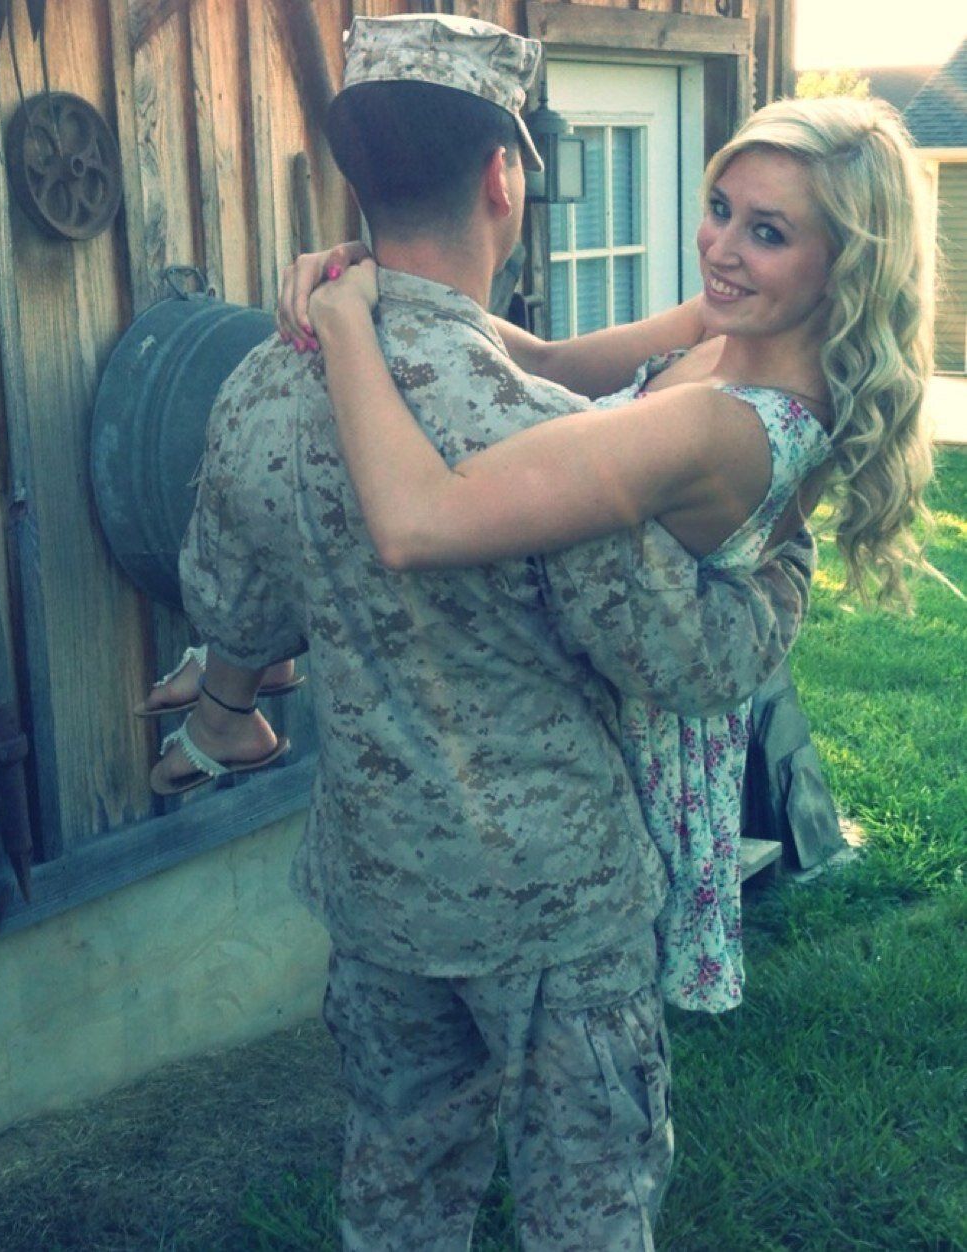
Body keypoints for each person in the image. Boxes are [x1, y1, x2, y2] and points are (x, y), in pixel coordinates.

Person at [159, 14, 820, 1248]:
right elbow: (681, 662)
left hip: (377, 886)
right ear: (502, 177)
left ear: (358, 177)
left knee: (399, 1191)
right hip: (553, 900)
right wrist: (785, 568)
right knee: (587, 1208)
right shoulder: (552, 443)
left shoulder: (261, 380)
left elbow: (235, 608)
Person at [277, 94, 937, 1015]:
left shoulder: (726, 430)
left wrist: (345, 323)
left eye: (769, 232)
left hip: (605, 767)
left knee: (574, 1052)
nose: (721, 249)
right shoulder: (734, 330)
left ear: (847, 263)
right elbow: (548, 365)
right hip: (585, 705)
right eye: (720, 209)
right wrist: (388, 280)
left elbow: (416, 522)